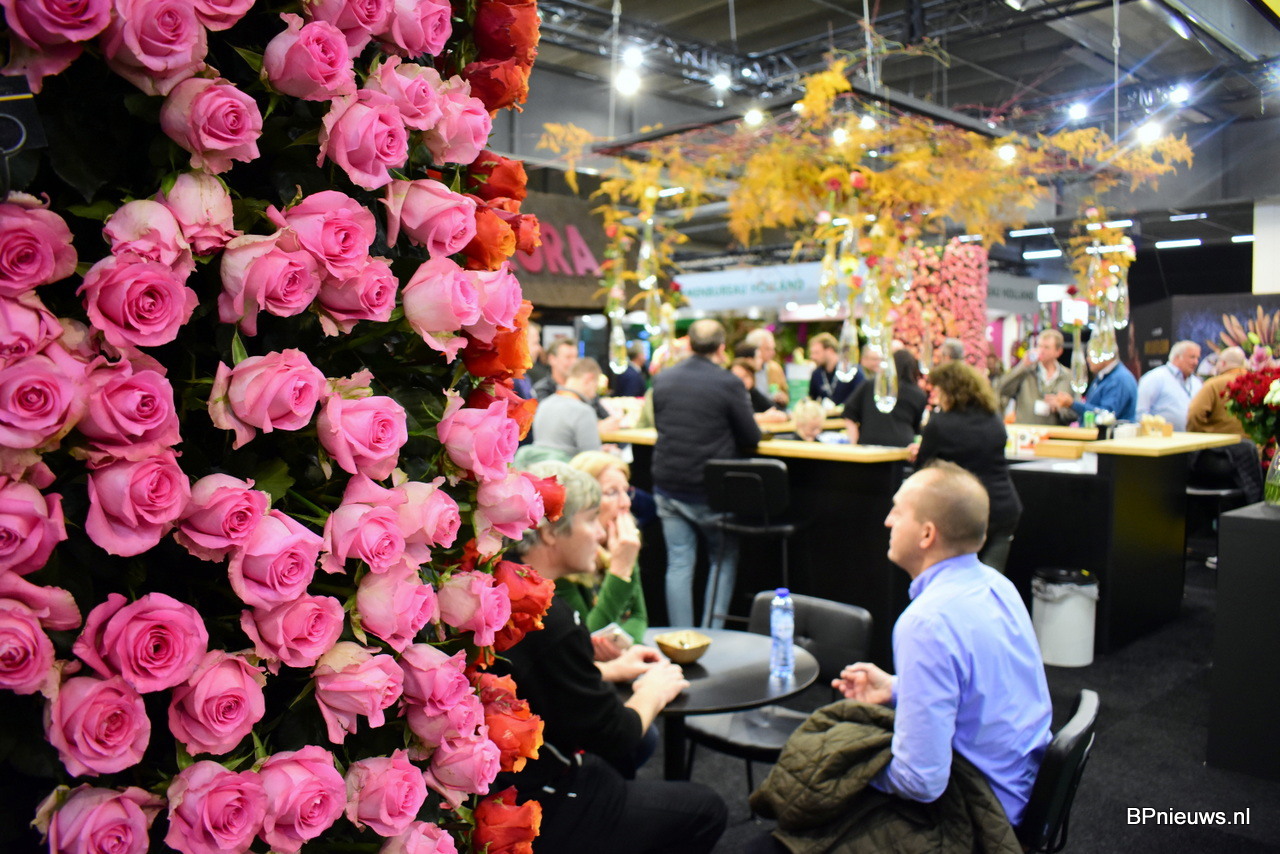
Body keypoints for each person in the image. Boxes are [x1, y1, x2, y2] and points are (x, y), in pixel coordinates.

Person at [498, 462, 727, 854]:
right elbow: (616, 733)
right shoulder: (546, 615)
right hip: (540, 798)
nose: (602, 531)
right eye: (592, 519)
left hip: (525, 778)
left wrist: (609, 668)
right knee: (708, 808)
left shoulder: (503, 588)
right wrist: (654, 690)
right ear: (550, 531)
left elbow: (553, 670)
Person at [836, 462, 1051, 824]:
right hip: (1022, 788)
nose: (888, 521)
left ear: (926, 534)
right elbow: (982, 692)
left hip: (982, 813)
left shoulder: (926, 622)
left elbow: (920, 783)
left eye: (898, 511)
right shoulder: (997, 586)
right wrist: (895, 688)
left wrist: (854, 775)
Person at [652, 319, 762, 627]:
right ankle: (713, 635)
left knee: (679, 563)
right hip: (710, 489)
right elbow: (751, 436)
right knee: (723, 558)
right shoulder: (728, 383)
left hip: (668, 483)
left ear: (689, 344)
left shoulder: (663, 379)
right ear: (722, 348)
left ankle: (680, 639)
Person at [911, 360, 1022, 572]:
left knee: (957, 579)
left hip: (965, 512)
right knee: (990, 579)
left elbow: (922, 471)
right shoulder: (993, 418)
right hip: (1004, 508)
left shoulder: (940, 423)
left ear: (949, 391)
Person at [567, 451, 649, 653]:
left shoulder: (623, 543)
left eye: (626, 491)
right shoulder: (565, 556)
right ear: (582, 502)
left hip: (623, 657)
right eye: (611, 492)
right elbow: (585, 641)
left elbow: (638, 617)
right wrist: (620, 570)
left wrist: (626, 648)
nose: (626, 503)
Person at [843, 348, 928, 447]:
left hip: (868, 444)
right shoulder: (919, 394)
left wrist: (853, 442)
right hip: (902, 446)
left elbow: (848, 412)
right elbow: (916, 427)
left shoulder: (871, 385)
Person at [529, 357, 605, 460]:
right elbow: (592, 459)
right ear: (588, 379)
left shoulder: (544, 405)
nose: (594, 394)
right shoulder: (584, 412)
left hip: (539, 467)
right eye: (595, 386)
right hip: (570, 468)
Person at [996, 329, 1076, 425]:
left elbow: (1075, 413)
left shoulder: (1067, 376)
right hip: (1026, 431)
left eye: (1046, 347)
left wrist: (1060, 408)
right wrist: (1022, 365)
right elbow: (1001, 388)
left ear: (1058, 351)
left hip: (1054, 432)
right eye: (1039, 346)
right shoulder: (1026, 371)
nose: (1041, 351)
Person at [1051, 352, 1138, 422]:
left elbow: (1106, 416)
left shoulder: (1119, 379)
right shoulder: (1104, 376)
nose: (1088, 359)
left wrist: (1072, 404)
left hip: (1112, 438)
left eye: (1091, 354)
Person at [1136, 340, 1203, 430]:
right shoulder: (1155, 378)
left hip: (1193, 437)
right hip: (1161, 437)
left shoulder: (1196, 383)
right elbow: (1140, 412)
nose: (1196, 362)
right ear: (1177, 357)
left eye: (1197, 358)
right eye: (1192, 357)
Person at [1187, 346, 1248, 435]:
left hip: (1221, 442)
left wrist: (1203, 435)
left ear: (1223, 363)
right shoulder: (1255, 382)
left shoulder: (1213, 385)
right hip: (1252, 442)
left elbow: (1195, 414)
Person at [807, 332, 857, 407]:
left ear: (830, 350)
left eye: (816, 353)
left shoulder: (851, 371)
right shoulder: (816, 374)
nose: (812, 357)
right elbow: (812, 400)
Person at [730, 358, 787, 422]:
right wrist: (763, 417)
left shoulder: (752, 393)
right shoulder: (727, 396)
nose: (741, 380)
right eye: (736, 377)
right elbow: (735, 418)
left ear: (752, 377)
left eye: (746, 376)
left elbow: (777, 410)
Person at [744, 327, 790, 407]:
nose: (773, 353)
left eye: (773, 349)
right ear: (754, 349)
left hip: (773, 410)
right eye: (768, 349)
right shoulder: (743, 371)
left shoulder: (774, 368)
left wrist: (783, 397)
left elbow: (786, 395)